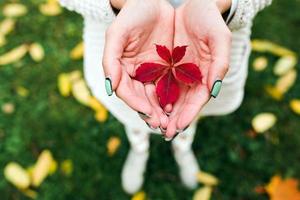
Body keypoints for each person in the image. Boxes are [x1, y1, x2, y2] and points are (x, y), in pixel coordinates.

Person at [59, 0, 272, 194]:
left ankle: (182, 145)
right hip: (128, 40)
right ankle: (139, 146)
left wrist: (217, 4)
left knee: (193, 104)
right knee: (135, 103)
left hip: (207, 41)